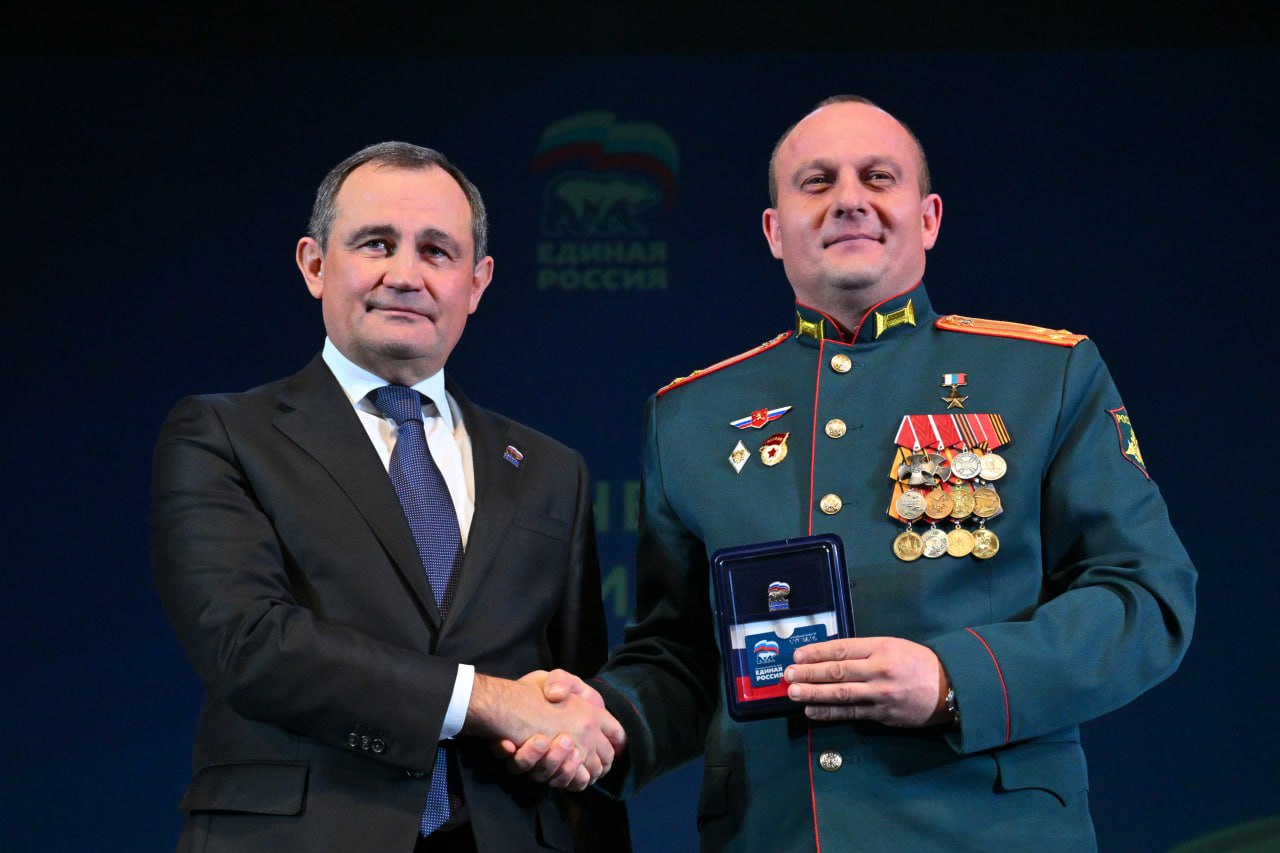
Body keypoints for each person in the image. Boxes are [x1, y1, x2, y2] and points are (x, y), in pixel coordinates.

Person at [523, 95, 1197, 850]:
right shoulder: (690, 416)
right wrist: (608, 721)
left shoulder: (1046, 375)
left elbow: (1146, 597)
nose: (849, 199)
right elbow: (681, 656)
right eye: (816, 182)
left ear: (929, 218)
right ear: (774, 231)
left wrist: (953, 679)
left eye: (879, 177)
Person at [150, 141, 627, 852]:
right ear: (315, 264)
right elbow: (250, 645)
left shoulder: (551, 469)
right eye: (376, 243)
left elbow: (574, 701)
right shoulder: (223, 434)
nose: (405, 275)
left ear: (477, 282)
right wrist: (488, 700)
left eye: (437, 251)